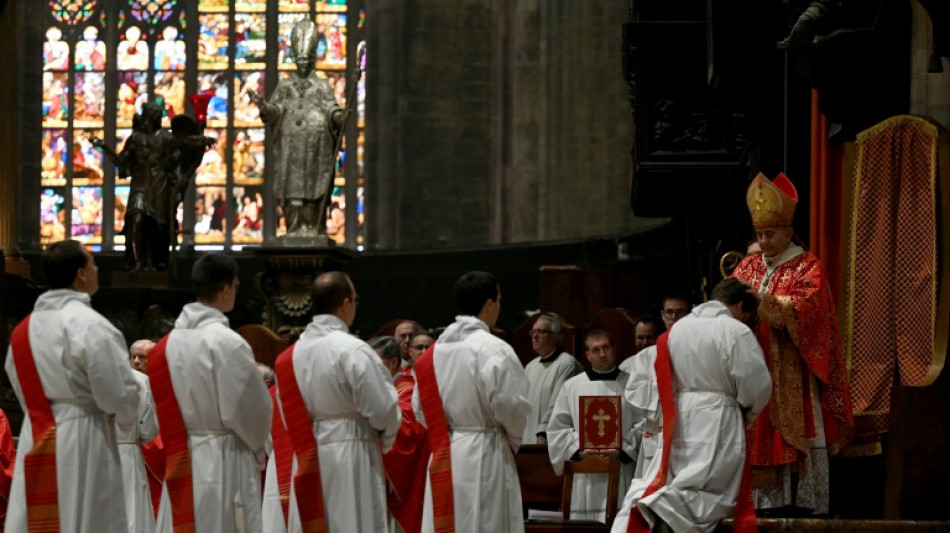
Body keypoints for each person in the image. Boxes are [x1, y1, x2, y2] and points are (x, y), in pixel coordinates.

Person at [731, 173, 853, 515]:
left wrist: (761, 301)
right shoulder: (747, 265)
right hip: (752, 372)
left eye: (770, 234)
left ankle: (798, 509)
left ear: (788, 231)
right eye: (759, 234)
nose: (764, 241)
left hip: (792, 373)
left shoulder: (807, 266)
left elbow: (808, 310)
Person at [612, 278, 772, 533]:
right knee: (712, 490)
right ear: (742, 305)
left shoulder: (676, 331)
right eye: (747, 314)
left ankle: (653, 508)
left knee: (679, 480)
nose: (746, 320)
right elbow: (756, 384)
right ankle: (662, 510)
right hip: (719, 416)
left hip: (681, 418)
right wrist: (748, 413)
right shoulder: (735, 330)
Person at [5, 240, 141, 532]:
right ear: (80, 274)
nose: (96, 269)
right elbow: (118, 393)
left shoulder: (22, 330)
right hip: (84, 436)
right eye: (92, 263)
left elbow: (17, 381)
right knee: (84, 518)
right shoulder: (90, 325)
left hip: (36, 433)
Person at [151, 254, 272, 532]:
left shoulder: (166, 346)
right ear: (226, 289)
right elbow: (255, 411)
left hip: (181, 457)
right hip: (224, 459)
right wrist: (256, 452)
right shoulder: (227, 343)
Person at [274, 271, 401, 532]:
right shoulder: (351, 349)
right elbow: (383, 409)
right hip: (352, 454)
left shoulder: (291, 356)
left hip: (309, 453)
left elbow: (287, 413)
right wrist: (385, 439)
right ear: (346, 304)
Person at [412, 271, 532, 533]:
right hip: (486, 451)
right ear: (489, 304)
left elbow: (420, 409)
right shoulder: (493, 349)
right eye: (499, 300)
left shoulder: (433, 354)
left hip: (445, 452)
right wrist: (510, 439)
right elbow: (511, 407)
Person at [249, 19, 344, 239]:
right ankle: (294, 226)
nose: (303, 63)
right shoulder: (285, 86)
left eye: (306, 59)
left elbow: (331, 108)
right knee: (292, 188)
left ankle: (312, 227)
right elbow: (274, 112)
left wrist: (338, 116)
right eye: (299, 59)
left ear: (312, 59)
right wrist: (262, 104)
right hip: (291, 149)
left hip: (315, 149)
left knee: (313, 188)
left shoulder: (321, 86)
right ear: (294, 59)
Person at [547, 330, 639, 523]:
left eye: (606, 347)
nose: (602, 354)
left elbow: (645, 425)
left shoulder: (633, 384)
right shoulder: (572, 386)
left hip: (620, 468)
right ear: (587, 355)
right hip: (584, 473)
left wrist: (622, 450)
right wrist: (578, 449)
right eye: (596, 350)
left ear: (614, 349)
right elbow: (558, 428)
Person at [369, 336, 430, 533]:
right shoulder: (373, 389)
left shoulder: (409, 389)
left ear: (393, 363)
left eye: (374, 362)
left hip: (396, 477)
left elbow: (409, 428)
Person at [522, 315, 583, 445]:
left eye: (541, 331)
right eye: (533, 332)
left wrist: (542, 431)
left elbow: (557, 402)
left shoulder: (567, 364)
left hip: (550, 438)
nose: (535, 336)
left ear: (555, 337)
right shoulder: (530, 366)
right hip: (527, 437)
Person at [117, 352, 160, 533]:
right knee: (131, 513)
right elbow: (149, 429)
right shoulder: (141, 381)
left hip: (94, 453)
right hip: (127, 452)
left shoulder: (83, 379)